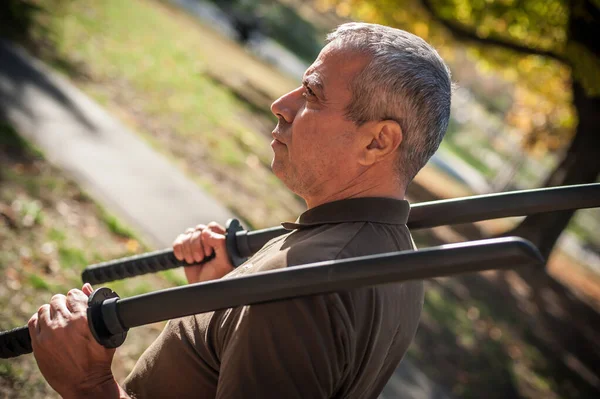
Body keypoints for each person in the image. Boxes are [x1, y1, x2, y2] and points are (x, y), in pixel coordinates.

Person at [27, 22, 452, 398]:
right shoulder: (394, 255)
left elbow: (298, 317)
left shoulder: (299, 287)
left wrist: (89, 386)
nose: (282, 105)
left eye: (312, 94)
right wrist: (226, 298)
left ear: (378, 142)